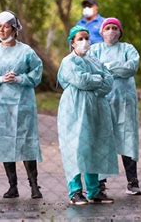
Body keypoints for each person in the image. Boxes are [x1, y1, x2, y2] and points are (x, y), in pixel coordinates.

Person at [0, 11, 43, 199]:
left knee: (26, 142)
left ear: (14, 28)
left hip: (23, 103)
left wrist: (21, 78)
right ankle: (12, 186)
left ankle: (34, 186)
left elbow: (37, 73)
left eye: (5, 26)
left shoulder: (26, 51)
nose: (2, 29)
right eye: (0, 26)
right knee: (6, 142)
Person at [57, 25, 118, 205]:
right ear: (72, 43)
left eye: (86, 38)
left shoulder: (94, 61)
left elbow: (109, 81)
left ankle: (94, 191)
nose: (84, 42)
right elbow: (80, 81)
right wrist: (97, 79)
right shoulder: (68, 62)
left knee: (94, 146)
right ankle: (75, 191)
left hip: (96, 107)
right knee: (75, 147)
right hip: (74, 108)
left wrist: (95, 79)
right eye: (80, 39)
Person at [89, 17, 141, 196]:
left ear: (120, 32)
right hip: (102, 99)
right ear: (102, 32)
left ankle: (132, 181)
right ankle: (100, 182)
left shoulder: (128, 49)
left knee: (127, 137)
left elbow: (131, 68)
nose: (111, 31)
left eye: (115, 28)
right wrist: (115, 68)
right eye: (108, 28)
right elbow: (93, 70)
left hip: (124, 101)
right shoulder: (94, 49)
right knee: (102, 137)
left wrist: (107, 67)